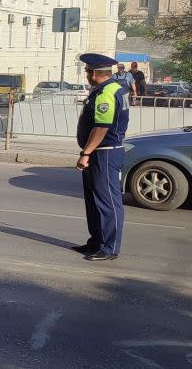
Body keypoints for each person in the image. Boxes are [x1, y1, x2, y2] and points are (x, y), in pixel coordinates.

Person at [73, 53, 130, 262]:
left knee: (107, 201)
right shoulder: (110, 88)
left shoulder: (107, 93)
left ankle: (109, 247)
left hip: (104, 152)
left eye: (88, 71)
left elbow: (101, 127)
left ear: (95, 74)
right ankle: (96, 241)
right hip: (101, 151)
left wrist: (85, 153)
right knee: (94, 200)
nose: (86, 74)